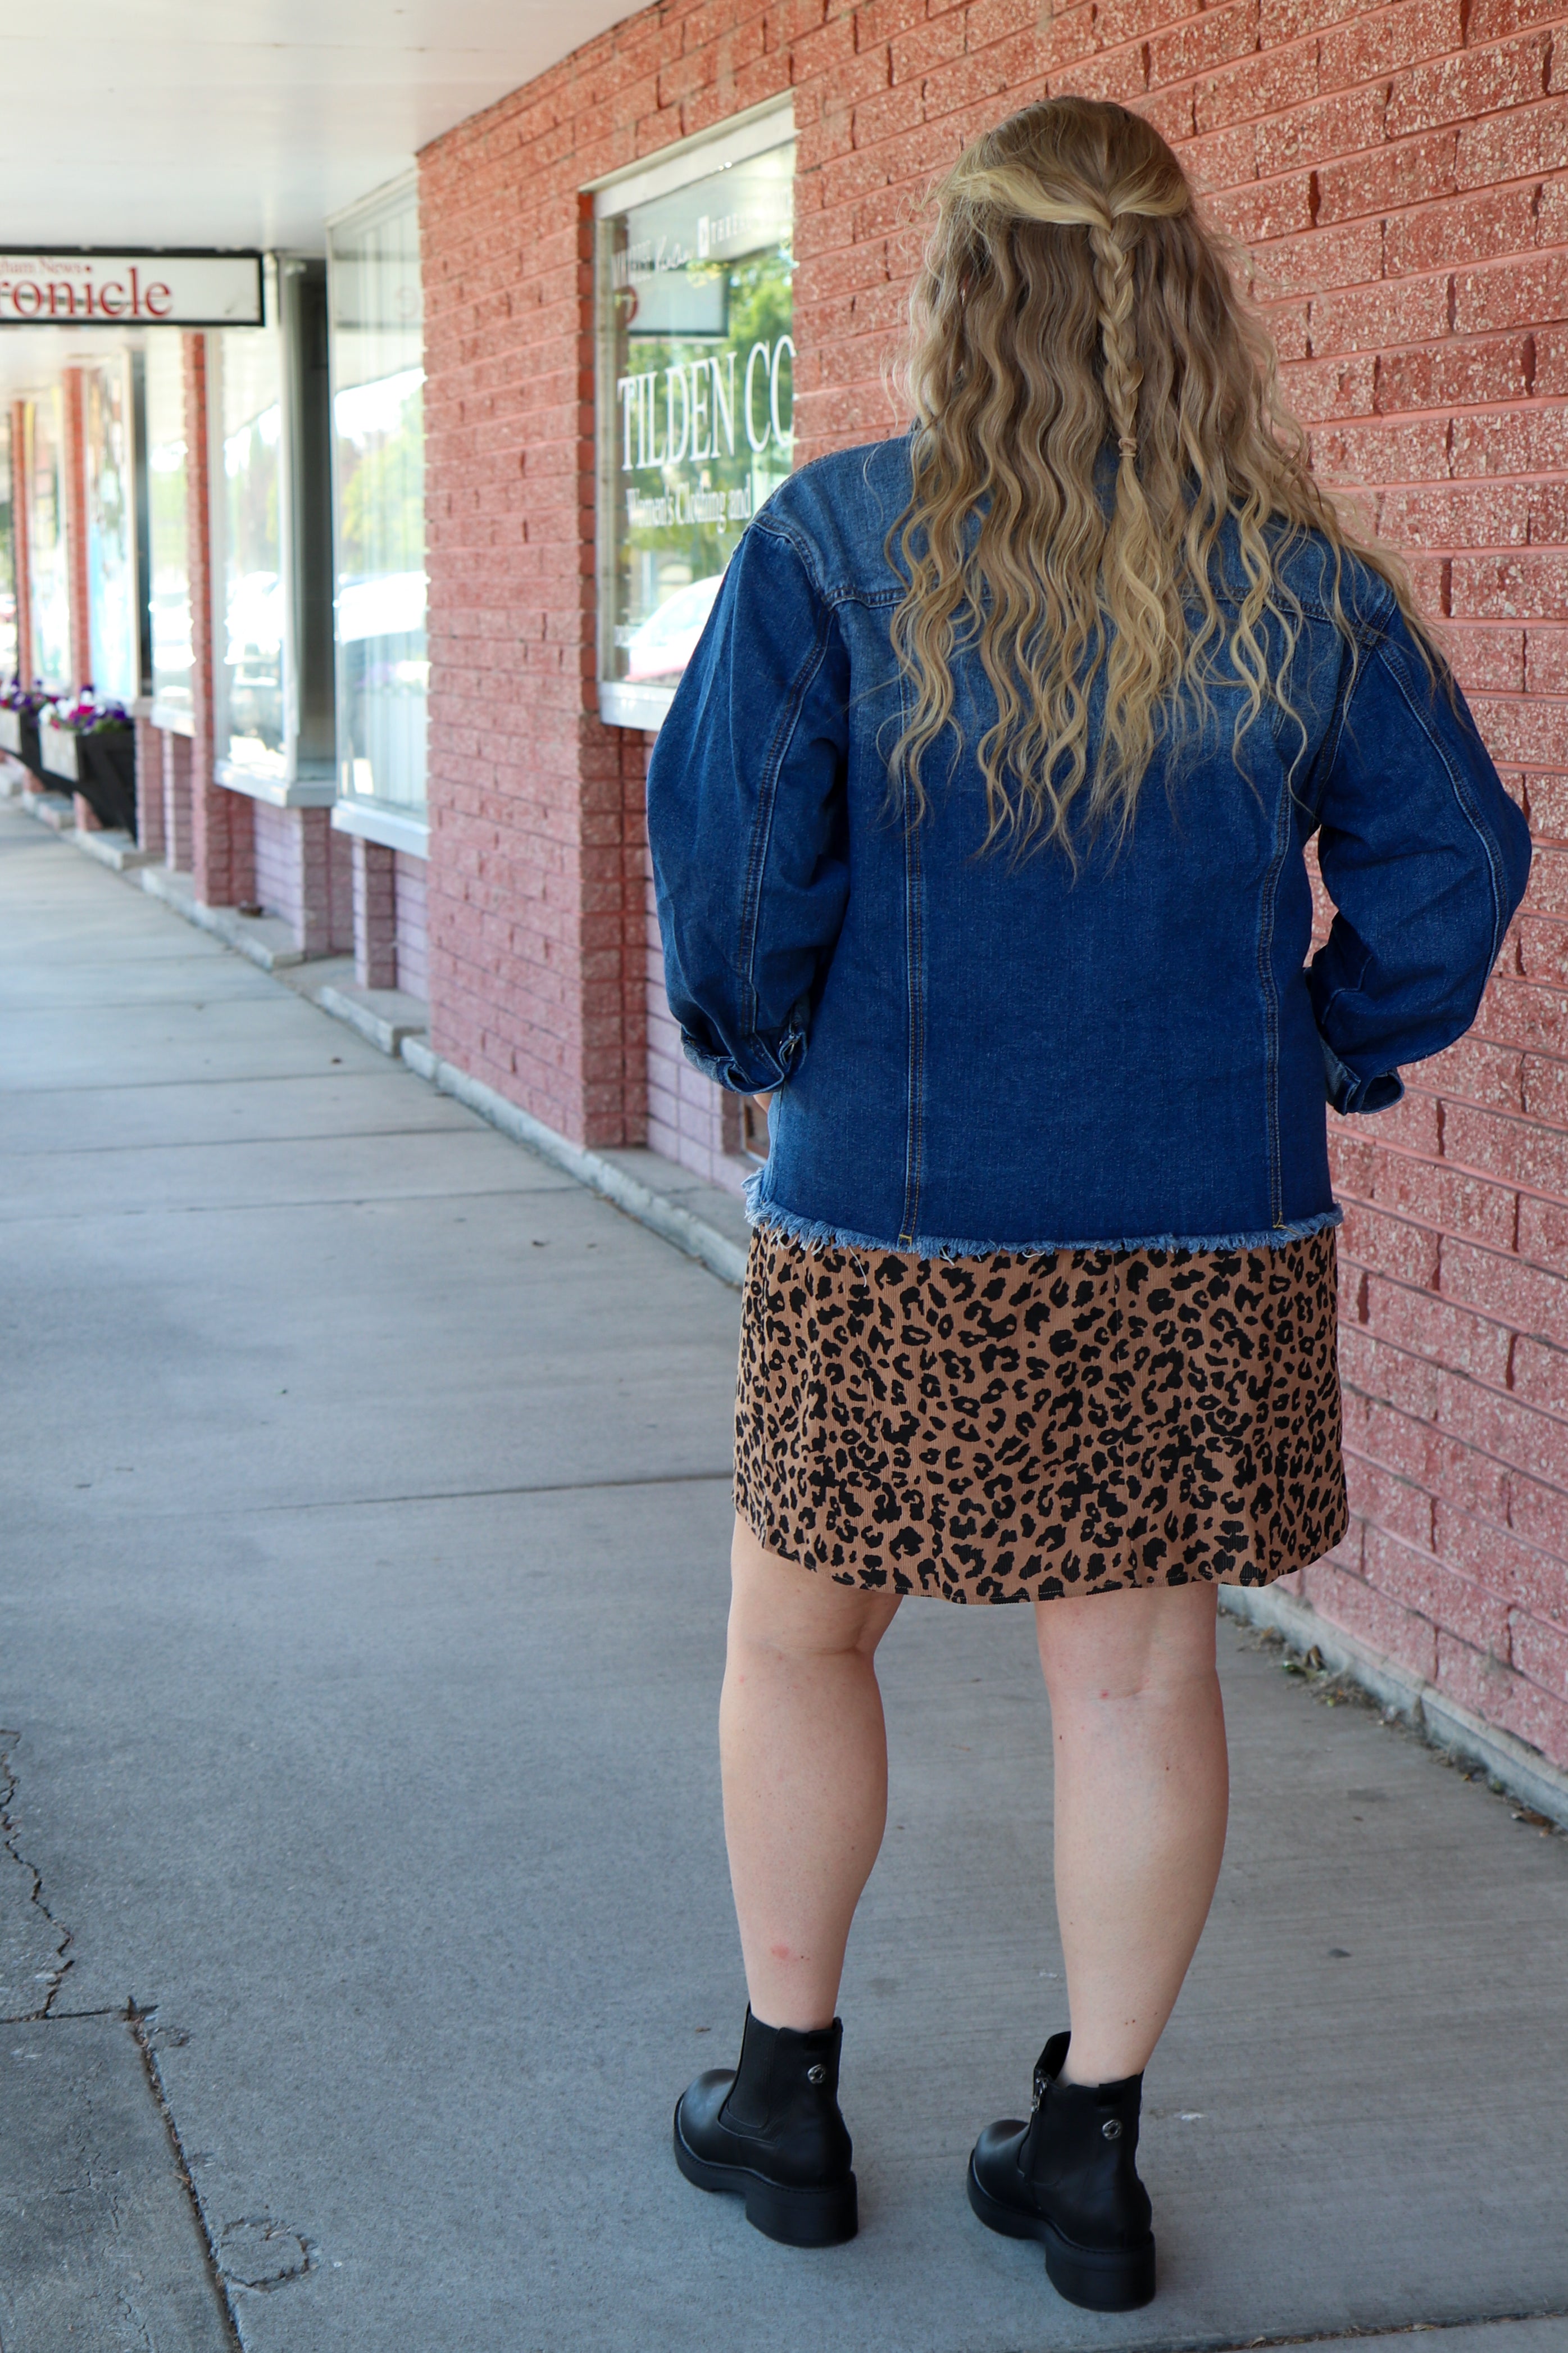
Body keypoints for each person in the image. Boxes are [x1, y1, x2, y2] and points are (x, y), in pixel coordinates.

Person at [644, 96, 1531, 2312]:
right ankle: (1088, 2161)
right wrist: (1318, 1042)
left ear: (960, 290)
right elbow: (1455, 863)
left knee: (793, 1635)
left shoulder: (835, 539)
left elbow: (740, 880)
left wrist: (766, 1053)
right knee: (1133, 1689)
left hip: (885, 1225)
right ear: (1185, 305)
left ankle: (779, 2101)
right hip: (1198, 1219)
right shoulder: (1297, 579)